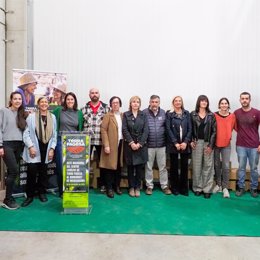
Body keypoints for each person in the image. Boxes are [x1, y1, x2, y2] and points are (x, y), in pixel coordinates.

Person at [21, 96, 57, 207]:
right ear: (38, 104)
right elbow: (26, 134)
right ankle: (30, 195)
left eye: (46, 102)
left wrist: (52, 149)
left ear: (48, 104)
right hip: (34, 149)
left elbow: (54, 134)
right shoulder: (31, 117)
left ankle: (42, 193)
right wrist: (31, 147)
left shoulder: (53, 117)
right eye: (42, 102)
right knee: (31, 172)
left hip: (46, 149)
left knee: (43, 172)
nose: (44, 104)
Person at [52, 92, 84, 196]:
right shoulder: (59, 110)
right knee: (61, 167)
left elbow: (81, 128)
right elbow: (50, 121)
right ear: (65, 101)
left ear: (75, 101)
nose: (70, 101)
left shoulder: (79, 113)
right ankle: (62, 191)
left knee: (73, 168)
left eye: (72, 99)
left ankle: (72, 189)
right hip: (61, 141)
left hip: (75, 142)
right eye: (68, 99)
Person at [0, 92, 27, 210]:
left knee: (12, 172)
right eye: (15, 99)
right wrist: (0, 146)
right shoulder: (4, 111)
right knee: (14, 171)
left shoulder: (22, 114)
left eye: (19, 99)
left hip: (18, 145)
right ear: (11, 100)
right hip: (7, 145)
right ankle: (7, 199)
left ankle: (9, 196)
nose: (17, 101)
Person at [81, 88, 109, 193]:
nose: (94, 95)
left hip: (101, 140)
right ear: (89, 95)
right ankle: (83, 184)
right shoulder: (83, 109)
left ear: (99, 94)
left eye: (96, 93)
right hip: (86, 140)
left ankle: (103, 185)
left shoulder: (106, 109)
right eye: (92, 93)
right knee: (83, 163)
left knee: (103, 164)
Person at [143, 95, 171, 195]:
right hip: (149, 145)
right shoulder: (144, 113)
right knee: (148, 166)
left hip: (161, 145)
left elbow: (167, 128)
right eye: (153, 102)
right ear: (150, 102)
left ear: (159, 103)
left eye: (156, 102)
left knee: (162, 167)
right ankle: (149, 186)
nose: (154, 104)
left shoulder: (164, 113)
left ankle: (164, 186)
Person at [234, 92, 260, 198]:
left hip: (254, 146)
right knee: (241, 167)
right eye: (242, 98)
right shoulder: (236, 113)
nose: (244, 100)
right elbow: (234, 126)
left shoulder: (257, 113)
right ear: (240, 100)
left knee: (254, 168)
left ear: (250, 100)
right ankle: (241, 187)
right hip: (241, 145)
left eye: (246, 98)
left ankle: (254, 188)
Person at [190, 95, 216, 199]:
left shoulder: (211, 115)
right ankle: (197, 188)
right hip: (196, 143)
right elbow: (190, 129)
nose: (204, 102)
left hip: (208, 143)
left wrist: (211, 145)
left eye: (206, 101)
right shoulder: (193, 114)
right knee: (197, 166)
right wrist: (191, 140)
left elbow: (214, 131)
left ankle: (207, 189)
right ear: (198, 102)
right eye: (202, 101)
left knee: (208, 166)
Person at [122, 96, 149, 197]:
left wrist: (140, 143)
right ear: (130, 103)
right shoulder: (126, 115)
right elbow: (124, 129)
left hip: (141, 146)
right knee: (130, 168)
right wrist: (131, 143)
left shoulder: (144, 115)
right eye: (133, 102)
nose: (135, 103)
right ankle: (131, 187)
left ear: (140, 104)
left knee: (139, 168)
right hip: (130, 145)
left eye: (137, 102)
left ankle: (137, 187)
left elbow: (146, 130)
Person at [166, 96, 192, 196]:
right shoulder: (169, 114)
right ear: (173, 103)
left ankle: (184, 188)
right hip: (174, 145)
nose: (178, 102)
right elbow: (168, 129)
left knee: (184, 167)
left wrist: (185, 142)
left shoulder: (187, 113)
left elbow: (190, 129)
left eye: (179, 101)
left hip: (185, 145)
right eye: (176, 101)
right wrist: (175, 143)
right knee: (174, 167)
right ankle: (175, 188)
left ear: (182, 102)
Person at [100, 96, 123, 198]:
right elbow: (103, 130)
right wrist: (106, 145)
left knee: (118, 166)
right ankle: (109, 188)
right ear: (110, 105)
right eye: (113, 103)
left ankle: (117, 186)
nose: (115, 104)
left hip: (121, 144)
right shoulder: (107, 116)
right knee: (109, 167)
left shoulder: (123, 115)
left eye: (117, 103)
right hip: (111, 145)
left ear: (120, 104)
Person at [213, 98, 236, 198]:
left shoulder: (232, 116)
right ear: (219, 105)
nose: (224, 105)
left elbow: (236, 128)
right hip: (215, 144)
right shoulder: (214, 115)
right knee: (217, 165)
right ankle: (218, 185)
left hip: (226, 144)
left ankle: (225, 187)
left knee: (226, 166)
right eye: (222, 103)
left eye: (225, 103)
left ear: (228, 105)